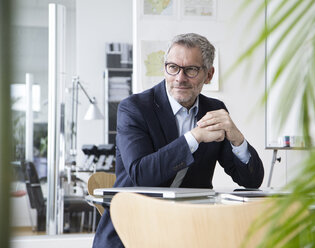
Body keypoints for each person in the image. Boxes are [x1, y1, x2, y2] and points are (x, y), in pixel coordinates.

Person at [93, 33, 264, 247]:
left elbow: (251, 181)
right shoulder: (134, 108)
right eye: (173, 67)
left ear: (208, 75)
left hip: (187, 232)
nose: (180, 78)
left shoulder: (214, 110)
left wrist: (237, 138)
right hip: (131, 232)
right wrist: (194, 138)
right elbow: (142, 174)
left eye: (191, 70)